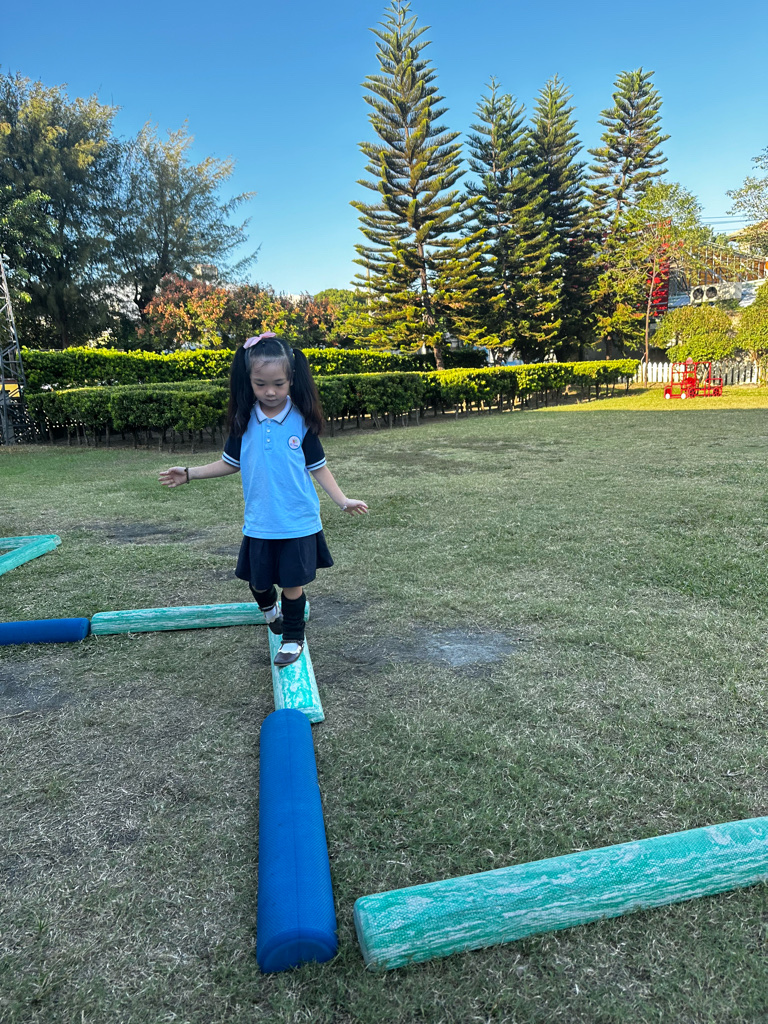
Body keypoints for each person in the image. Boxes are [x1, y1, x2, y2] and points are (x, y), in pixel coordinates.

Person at [159, 332, 368, 666]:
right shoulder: (243, 422)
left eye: (278, 384)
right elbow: (230, 463)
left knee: (293, 585)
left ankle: (293, 638)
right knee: (258, 583)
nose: (270, 392)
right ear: (249, 382)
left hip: (298, 521)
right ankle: (270, 611)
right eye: (261, 384)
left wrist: (342, 500)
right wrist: (189, 473)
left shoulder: (301, 421)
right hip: (260, 522)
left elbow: (318, 467)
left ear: (291, 380)